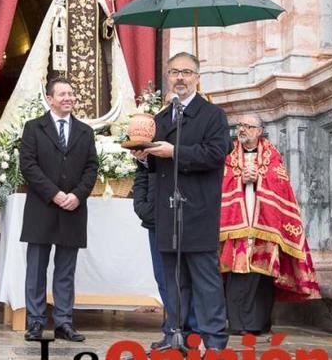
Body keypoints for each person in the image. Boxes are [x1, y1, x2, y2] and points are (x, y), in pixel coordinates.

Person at [0, 0, 136, 138]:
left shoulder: (97, 2)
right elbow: (53, 27)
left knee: (97, 98)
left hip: (94, 63)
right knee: (66, 93)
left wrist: (109, 24)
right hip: (67, 59)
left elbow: (105, 36)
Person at [134, 52, 231, 353]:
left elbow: (216, 154)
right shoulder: (160, 120)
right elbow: (155, 166)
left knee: (205, 281)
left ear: (197, 78)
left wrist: (175, 152)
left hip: (198, 210)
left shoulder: (213, 116)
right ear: (168, 77)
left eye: (186, 72)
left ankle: (215, 341)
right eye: (174, 72)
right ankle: (176, 336)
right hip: (168, 212)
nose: (180, 78)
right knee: (174, 282)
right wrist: (143, 159)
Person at [219, 114, 320, 338]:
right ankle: (236, 322)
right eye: (240, 125)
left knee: (260, 275)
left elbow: (281, 185)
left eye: (248, 126)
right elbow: (220, 182)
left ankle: (258, 323)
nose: (242, 129)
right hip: (235, 227)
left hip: (265, 228)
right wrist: (238, 179)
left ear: (259, 131)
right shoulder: (228, 155)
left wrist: (259, 179)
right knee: (235, 273)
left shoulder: (272, 156)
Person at [20, 77, 99, 342]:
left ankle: (64, 322)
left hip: (73, 209)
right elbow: (28, 166)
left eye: (71, 94)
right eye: (62, 94)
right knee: (36, 268)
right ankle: (35, 322)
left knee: (66, 270)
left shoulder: (85, 131)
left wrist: (77, 195)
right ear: (50, 99)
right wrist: (54, 194)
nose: (68, 98)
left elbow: (91, 168)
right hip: (42, 207)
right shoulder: (33, 128)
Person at [132, 96, 198, 351]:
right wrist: (142, 206)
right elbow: (143, 174)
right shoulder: (155, 128)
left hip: (183, 212)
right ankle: (172, 330)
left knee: (185, 276)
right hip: (155, 216)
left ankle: (188, 331)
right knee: (163, 277)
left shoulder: (193, 131)